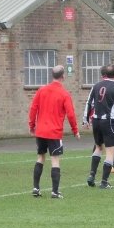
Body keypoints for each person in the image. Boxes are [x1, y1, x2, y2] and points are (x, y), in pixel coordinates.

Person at [28, 65, 80, 199]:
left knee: (40, 157)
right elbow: (71, 114)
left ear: (52, 76)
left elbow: (33, 108)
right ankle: (55, 192)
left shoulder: (41, 90)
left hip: (41, 131)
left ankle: (35, 187)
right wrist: (75, 131)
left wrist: (32, 125)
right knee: (55, 160)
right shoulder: (64, 93)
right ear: (63, 77)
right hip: (54, 132)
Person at [83, 64, 114, 189]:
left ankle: (91, 175)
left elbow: (89, 103)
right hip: (110, 121)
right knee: (111, 151)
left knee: (98, 147)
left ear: (104, 74)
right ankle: (104, 182)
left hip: (96, 120)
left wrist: (85, 120)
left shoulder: (96, 86)